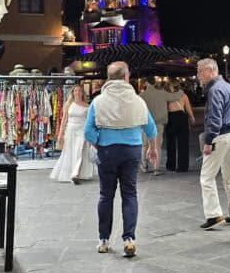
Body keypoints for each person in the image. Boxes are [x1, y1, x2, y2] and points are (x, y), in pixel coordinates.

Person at [84, 61, 158, 257]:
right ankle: (129, 239)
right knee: (130, 194)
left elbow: (88, 131)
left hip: (107, 151)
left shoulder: (98, 102)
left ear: (109, 78)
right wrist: (153, 147)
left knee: (105, 195)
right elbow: (151, 128)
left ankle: (103, 240)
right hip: (132, 151)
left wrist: (98, 143)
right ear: (126, 77)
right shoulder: (138, 101)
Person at [196, 58, 230, 229]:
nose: (198, 75)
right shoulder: (228, 86)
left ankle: (214, 215)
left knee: (206, 177)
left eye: (199, 71)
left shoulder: (214, 90)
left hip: (221, 136)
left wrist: (209, 141)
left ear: (210, 71)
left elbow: (214, 119)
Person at [50, 85, 94, 184]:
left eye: (79, 91)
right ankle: (71, 172)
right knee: (69, 152)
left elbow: (89, 121)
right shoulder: (69, 104)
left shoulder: (87, 106)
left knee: (79, 151)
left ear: (82, 93)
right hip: (70, 130)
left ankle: (75, 174)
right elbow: (64, 120)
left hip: (82, 130)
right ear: (73, 93)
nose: (77, 92)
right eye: (75, 91)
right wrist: (60, 134)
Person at [139, 78, 180, 175]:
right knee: (157, 146)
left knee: (145, 145)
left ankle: (145, 166)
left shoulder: (141, 95)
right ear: (155, 83)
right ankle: (156, 169)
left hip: (145, 124)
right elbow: (175, 97)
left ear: (146, 83)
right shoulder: (162, 93)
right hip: (158, 123)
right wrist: (181, 90)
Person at [164, 79, 196, 172]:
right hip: (182, 118)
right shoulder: (184, 96)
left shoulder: (166, 96)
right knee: (183, 143)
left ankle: (171, 165)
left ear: (170, 86)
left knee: (170, 143)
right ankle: (183, 166)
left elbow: (164, 109)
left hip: (171, 118)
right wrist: (192, 117)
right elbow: (188, 108)